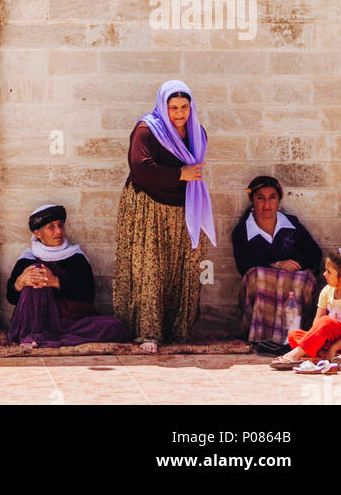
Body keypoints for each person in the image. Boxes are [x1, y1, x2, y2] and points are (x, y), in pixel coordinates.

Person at [113, 79, 216, 352]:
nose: (180, 113)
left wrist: (186, 176)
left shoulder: (197, 133)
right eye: (173, 107)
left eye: (185, 107)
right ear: (163, 106)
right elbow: (140, 168)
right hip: (148, 209)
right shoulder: (148, 131)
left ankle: (177, 331)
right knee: (150, 270)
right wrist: (181, 174)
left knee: (181, 271)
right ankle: (148, 333)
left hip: (183, 209)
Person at [6, 203, 130, 349]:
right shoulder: (28, 258)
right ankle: (34, 334)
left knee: (116, 327)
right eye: (51, 227)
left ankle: (48, 339)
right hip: (37, 322)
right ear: (37, 234)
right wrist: (19, 283)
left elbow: (88, 296)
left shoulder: (76, 257)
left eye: (60, 225)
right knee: (36, 272)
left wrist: (56, 282)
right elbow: (11, 298)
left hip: (71, 323)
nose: (58, 231)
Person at [231, 174, 321, 354]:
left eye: (272, 197)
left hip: (292, 283)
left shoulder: (291, 224)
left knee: (304, 280)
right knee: (258, 275)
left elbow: (314, 253)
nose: (267, 204)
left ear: (279, 201)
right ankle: (260, 337)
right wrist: (277, 265)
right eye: (260, 198)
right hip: (262, 282)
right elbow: (244, 265)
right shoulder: (242, 231)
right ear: (252, 201)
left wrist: (301, 271)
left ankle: (294, 338)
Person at [270, 248, 341, 373]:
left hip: (338, 343)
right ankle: (322, 356)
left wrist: (334, 347)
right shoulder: (326, 291)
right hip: (328, 342)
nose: (324, 274)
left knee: (327, 322)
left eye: (329, 272)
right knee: (293, 335)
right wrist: (317, 341)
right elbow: (317, 322)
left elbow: (324, 322)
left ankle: (296, 355)